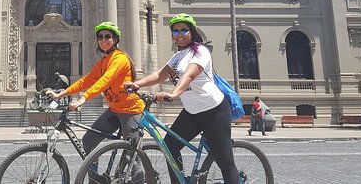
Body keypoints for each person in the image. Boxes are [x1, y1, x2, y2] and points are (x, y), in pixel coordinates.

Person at [126, 13, 239, 184]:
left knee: (226, 163)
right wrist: (136, 84)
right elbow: (159, 75)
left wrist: (173, 94)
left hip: (214, 110)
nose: (179, 34)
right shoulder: (178, 56)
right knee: (170, 147)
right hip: (192, 112)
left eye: (184, 30)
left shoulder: (201, 51)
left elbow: (189, 76)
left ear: (192, 32)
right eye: (175, 31)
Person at [47, 21, 145, 158]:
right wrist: (60, 94)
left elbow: (105, 80)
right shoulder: (103, 62)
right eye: (100, 37)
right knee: (88, 141)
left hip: (131, 110)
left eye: (107, 36)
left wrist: (83, 98)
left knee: (131, 156)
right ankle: (96, 180)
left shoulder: (120, 59)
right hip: (114, 110)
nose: (103, 40)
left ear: (115, 39)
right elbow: (85, 80)